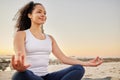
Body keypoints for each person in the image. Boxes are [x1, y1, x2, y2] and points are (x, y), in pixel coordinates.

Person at [11, 1, 103, 80]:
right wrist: (21, 66)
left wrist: (88, 63)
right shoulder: (21, 34)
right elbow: (20, 55)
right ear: (30, 15)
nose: (43, 15)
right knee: (20, 75)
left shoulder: (49, 38)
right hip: (29, 76)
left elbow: (64, 58)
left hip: (47, 77)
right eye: (39, 12)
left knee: (79, 69)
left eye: (45, 13)